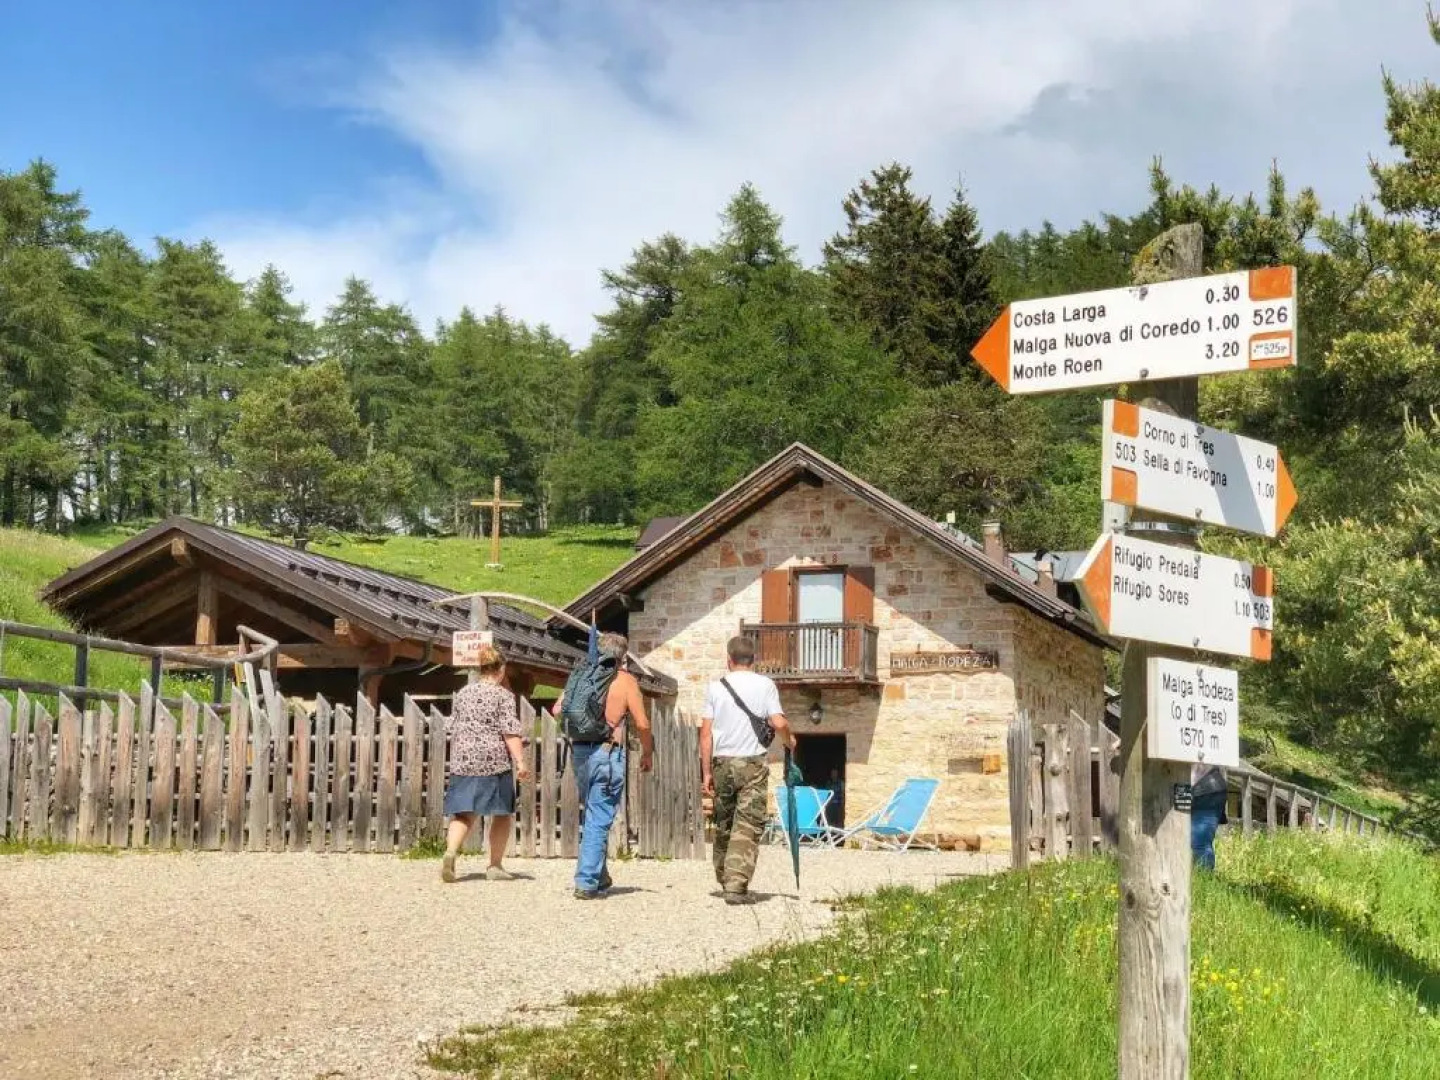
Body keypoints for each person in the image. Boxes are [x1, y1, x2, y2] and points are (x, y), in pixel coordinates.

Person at [553, 632, 654, 899]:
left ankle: (600, 874)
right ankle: (586, 881)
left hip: (580, 753)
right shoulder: (625, 681)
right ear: (623, 656)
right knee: (599, 818)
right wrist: (647, 752)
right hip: (607, 753)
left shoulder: (582, 676)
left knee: (594, 812)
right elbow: (642, 723)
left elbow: (557, 710)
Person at [700, 635, 796, 904]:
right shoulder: (765, 685)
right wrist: (790, 740)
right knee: (748, 823)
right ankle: (735, 883)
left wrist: (706, 771)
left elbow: (706, 734)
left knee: (724, 822)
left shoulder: (715, 687)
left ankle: (724, 876)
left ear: (729, 659)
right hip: (752, 763)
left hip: (722, 762)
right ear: (753, 660)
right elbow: (777, 722)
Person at [441, 645, 532, 884]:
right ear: (501, 670)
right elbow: (509, 731)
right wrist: (520, 761)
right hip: (494, 762)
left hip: (464, 760)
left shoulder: (463, 693)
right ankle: (494, 865)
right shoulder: (503, 696)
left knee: (463, 813)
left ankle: (450, 853)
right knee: (501, 813)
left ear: (480, 669)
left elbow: (451, 726)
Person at [1190, 763, 1229, 871]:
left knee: (1199, 844)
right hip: (1212, 787)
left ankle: (1204, 879)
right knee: (1200, 843)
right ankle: (1202, 878)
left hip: (1206, 790)